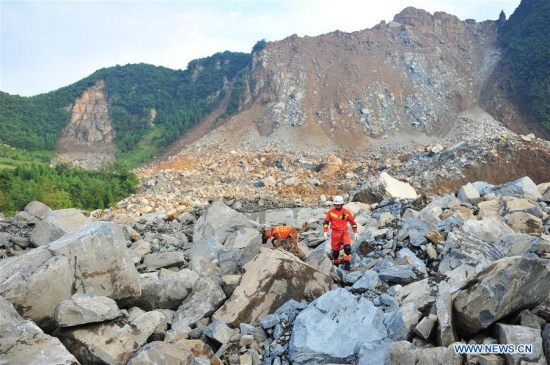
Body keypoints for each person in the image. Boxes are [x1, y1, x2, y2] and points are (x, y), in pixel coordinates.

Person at [323, 195, 359, 271]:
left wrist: (355, 232)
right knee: (335, 253)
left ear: (342, 204)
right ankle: (336, 263)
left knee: (347, 248)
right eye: (336, 205)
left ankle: (347, 262)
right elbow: (326, 222)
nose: (337, 206)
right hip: (335, 233)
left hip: (344, 232)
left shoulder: (347, 212)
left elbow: (353, 223)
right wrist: (325, 232)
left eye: (339, 205)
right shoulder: (331, 212)